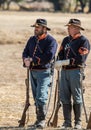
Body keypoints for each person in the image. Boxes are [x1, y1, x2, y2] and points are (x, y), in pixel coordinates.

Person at [22, 18, 58, 128]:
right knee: (36, 96)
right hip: (33, 71)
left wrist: (32, 60)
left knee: (41, 96)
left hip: (44, 72)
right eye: (35, 27)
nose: (36, 29)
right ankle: (38, 121)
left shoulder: (51, 41)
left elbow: (48, 56)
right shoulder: (32, 39)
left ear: (44, 28)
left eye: (38, 27)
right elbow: (25, 51)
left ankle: (42, 121)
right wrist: (25, 60)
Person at [57, 18, 90, 129]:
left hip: (76, 71)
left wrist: (66, 61)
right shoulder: (66, 40)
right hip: (64, 71)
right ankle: (67, 122)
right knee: (64, 97)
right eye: (68, 27)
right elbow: (60, 53)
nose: (68, 28)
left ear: (76, 28)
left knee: (77, 96)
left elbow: (81, 58)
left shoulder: (83, 41)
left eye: (70, 27)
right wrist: (59, 61)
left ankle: (78, 122)